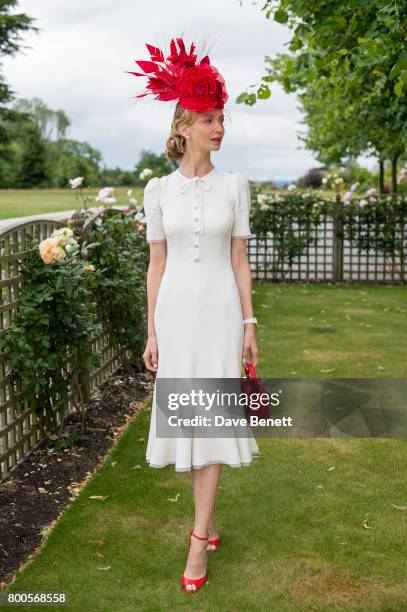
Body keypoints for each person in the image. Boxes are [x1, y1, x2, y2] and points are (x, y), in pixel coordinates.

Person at [128, 36, 260, 593]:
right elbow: (156, 266)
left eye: (221, 118)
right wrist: (151, 328)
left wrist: (250, 325)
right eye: (209, 118)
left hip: (222, 313)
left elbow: (239, 259)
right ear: (184, 125)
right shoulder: (157, 189)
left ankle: (198, 538)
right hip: (178, 315)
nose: (220, 127)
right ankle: (206, 524)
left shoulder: (236, 185)